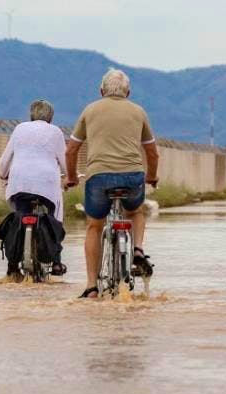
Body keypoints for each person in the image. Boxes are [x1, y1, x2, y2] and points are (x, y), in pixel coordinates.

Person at [65, 69, 160, 298]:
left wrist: (71, 177)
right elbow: (152, 153)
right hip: (132, 177)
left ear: (101, 91)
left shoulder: (90, 110)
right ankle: (138, 249)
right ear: (128, 92)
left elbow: (71, 150)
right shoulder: (138, 111)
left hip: (98, 178)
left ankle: (91, 287)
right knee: (135, 211)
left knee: (94, 226)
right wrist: (151, 176)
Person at [0, 99, 68, 276]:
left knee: (19, 216)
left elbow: (4, 161)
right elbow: (65, 163)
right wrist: (70, 177)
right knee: (54, 215)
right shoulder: (56, 132)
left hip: (19, 183)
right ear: (51, 117)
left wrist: (3, 174)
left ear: (31, 115)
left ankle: (12, 266)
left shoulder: (19, 129)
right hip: (47, 185)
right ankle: (57, 261)